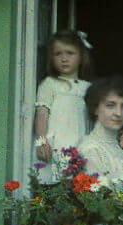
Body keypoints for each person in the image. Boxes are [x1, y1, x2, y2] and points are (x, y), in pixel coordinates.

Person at [33, 30, 93, 183]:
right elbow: (42, 113)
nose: (64, 59)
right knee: (57, 183)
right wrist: (41, 141)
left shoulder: (88, 88)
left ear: (81, 56)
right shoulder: (50, 84)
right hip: (57, 145)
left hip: (80, 143)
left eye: (70, 53)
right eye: (58, 54)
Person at [78, 75, 123, 187]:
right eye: (110, 105)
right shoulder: (90, 149)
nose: (118, 113)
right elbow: (100, 201)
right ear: (95, 108)